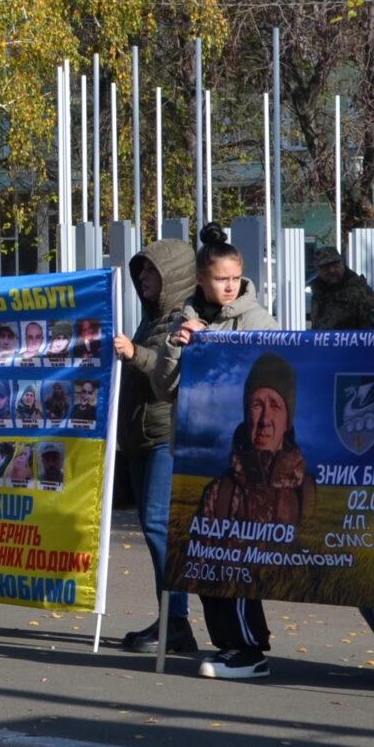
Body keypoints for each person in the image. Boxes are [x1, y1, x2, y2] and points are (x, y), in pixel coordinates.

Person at [182, 345, 304, 681]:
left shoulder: (308, 491)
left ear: (288, 418)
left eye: (275, 406)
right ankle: (237, 645)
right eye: (256, 404)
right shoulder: (220, 491)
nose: (265, 419)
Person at [113, 237, 199, 655]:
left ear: (173, 276)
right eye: (141, 272)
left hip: (166, 439)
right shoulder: (152, 319)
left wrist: (134, 355)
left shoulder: (185, 319)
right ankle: (171, 618)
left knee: (160, 526)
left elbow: (169, 370)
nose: (143, 279)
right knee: (155, 529)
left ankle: (176, 621)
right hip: (140, 439)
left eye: (151, 272)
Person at [308, 245, 374, 332]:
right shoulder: (318, 292)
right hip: (324, 344)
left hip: (352, 344)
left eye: (335, 265)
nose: (331, 270)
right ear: (318, 270)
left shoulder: (359, 290)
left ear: (342, 264)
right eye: (326, 268)